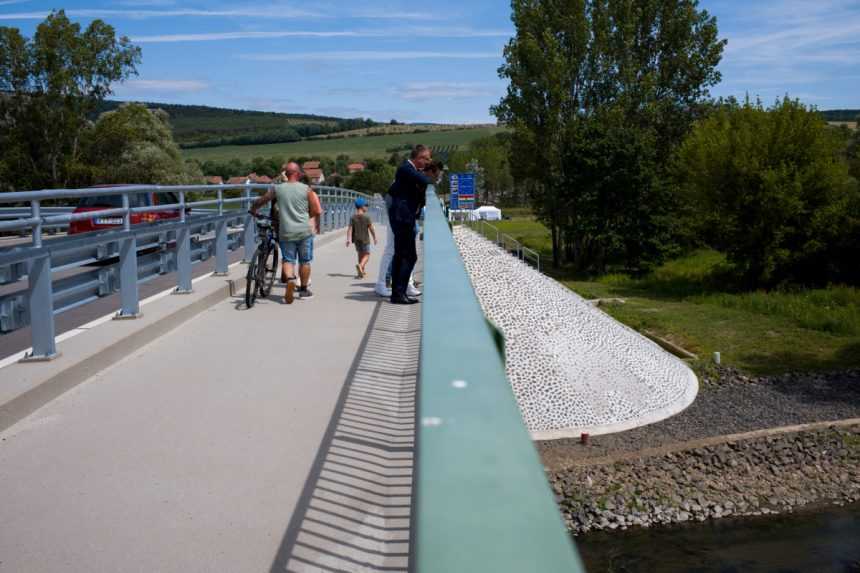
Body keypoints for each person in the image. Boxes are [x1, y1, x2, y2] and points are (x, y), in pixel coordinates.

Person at [250, 162, 322, 304]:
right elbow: (317, 211)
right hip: (303, 231)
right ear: (298, 174)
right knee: (305, 261)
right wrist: (309, 218)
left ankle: (290, 279)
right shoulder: (306, 189)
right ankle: (303, 291)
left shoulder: (277, 189)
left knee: (288, 260)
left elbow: (262, 201)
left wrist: (253, 209)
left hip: (286, 231)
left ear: (286, 174)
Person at [387, 145, 433, 304]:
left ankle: (398, 293)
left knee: (401, 255)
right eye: (426, 158)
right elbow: (425, 181)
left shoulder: (411, 170)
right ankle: (398, 293)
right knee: (408, 256)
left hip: (404, 217)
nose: (429, 161)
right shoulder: (406, 169)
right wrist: (431, 173)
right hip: (402, 217)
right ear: (418, 157)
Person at [347, 197, 377, 278]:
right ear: (361, 206)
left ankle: (361, 271)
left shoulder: (352, 217)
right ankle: (361, 266)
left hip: (356, 240)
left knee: (360, 254)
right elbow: (371, 229)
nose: (367, 207)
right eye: (366, 205)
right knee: (367, 254)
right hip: (365, 240)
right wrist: (374, 237)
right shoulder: (367, 217)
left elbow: (349, 229)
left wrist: (348, 239)